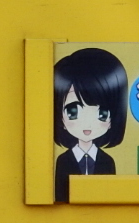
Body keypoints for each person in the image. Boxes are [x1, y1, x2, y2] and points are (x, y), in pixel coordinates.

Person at [54, 48, 128, 202]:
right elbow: (59, 195)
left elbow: (111, 197)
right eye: (73, 111)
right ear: (60, 116)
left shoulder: (107, 161)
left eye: (102, 113)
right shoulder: (63, 160)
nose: (87, 123)